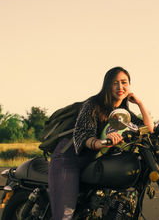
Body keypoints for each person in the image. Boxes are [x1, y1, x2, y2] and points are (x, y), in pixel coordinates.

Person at [48, 66, 153, 220]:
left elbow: (148, 129)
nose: (120, 87)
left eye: (124, 82)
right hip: (70, 159)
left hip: (95, 161)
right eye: (115, 83)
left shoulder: (123, 114)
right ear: (107, 85)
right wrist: (102, 142)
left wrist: (140, 103)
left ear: (129, 85)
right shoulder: (92, 104)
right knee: (65, 215)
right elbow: (83, 135)